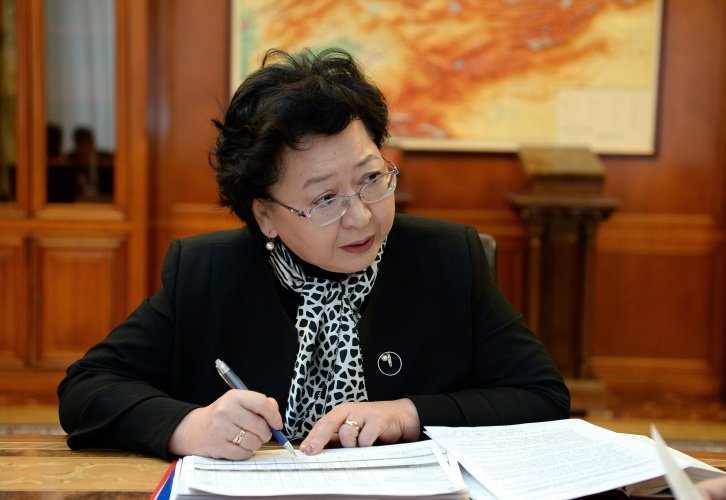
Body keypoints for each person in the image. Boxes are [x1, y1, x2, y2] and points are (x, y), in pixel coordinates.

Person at [57, 47, 570, 461]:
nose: (361, 217)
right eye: (325, 199)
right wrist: (189, 426)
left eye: (371, 178)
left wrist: (407, 414)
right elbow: (87, 389)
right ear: (265, 215)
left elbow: (542, 395)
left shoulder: (446, 259)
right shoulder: (207, 273)